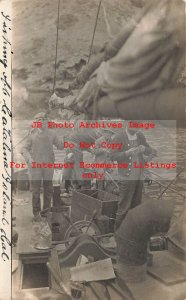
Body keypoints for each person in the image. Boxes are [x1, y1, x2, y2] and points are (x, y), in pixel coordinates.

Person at [110, 122, 155, 229]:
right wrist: (127, 153)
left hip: (139, 176)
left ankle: (133, 231)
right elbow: (112, 156)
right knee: (124, 206)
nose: (137, 128)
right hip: (126, 177)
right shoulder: (118, 137)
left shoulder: (140, 136)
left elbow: (150, 151)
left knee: (136, 205)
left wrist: (145, 149)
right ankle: (118, 232)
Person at [21, 112, 64, 220]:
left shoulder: (52, 133)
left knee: (48, 189)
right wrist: (29, 159)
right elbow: (23, 149)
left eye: (44, 119)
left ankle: (46, 211)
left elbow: (60, 146)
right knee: (35, 190)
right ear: (35, 122)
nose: (41, 121)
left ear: (47, 122)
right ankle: (36, 213)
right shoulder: (31, 134)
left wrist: (63, 138)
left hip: (48, 165)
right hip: (35, 166)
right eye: (39, 120)